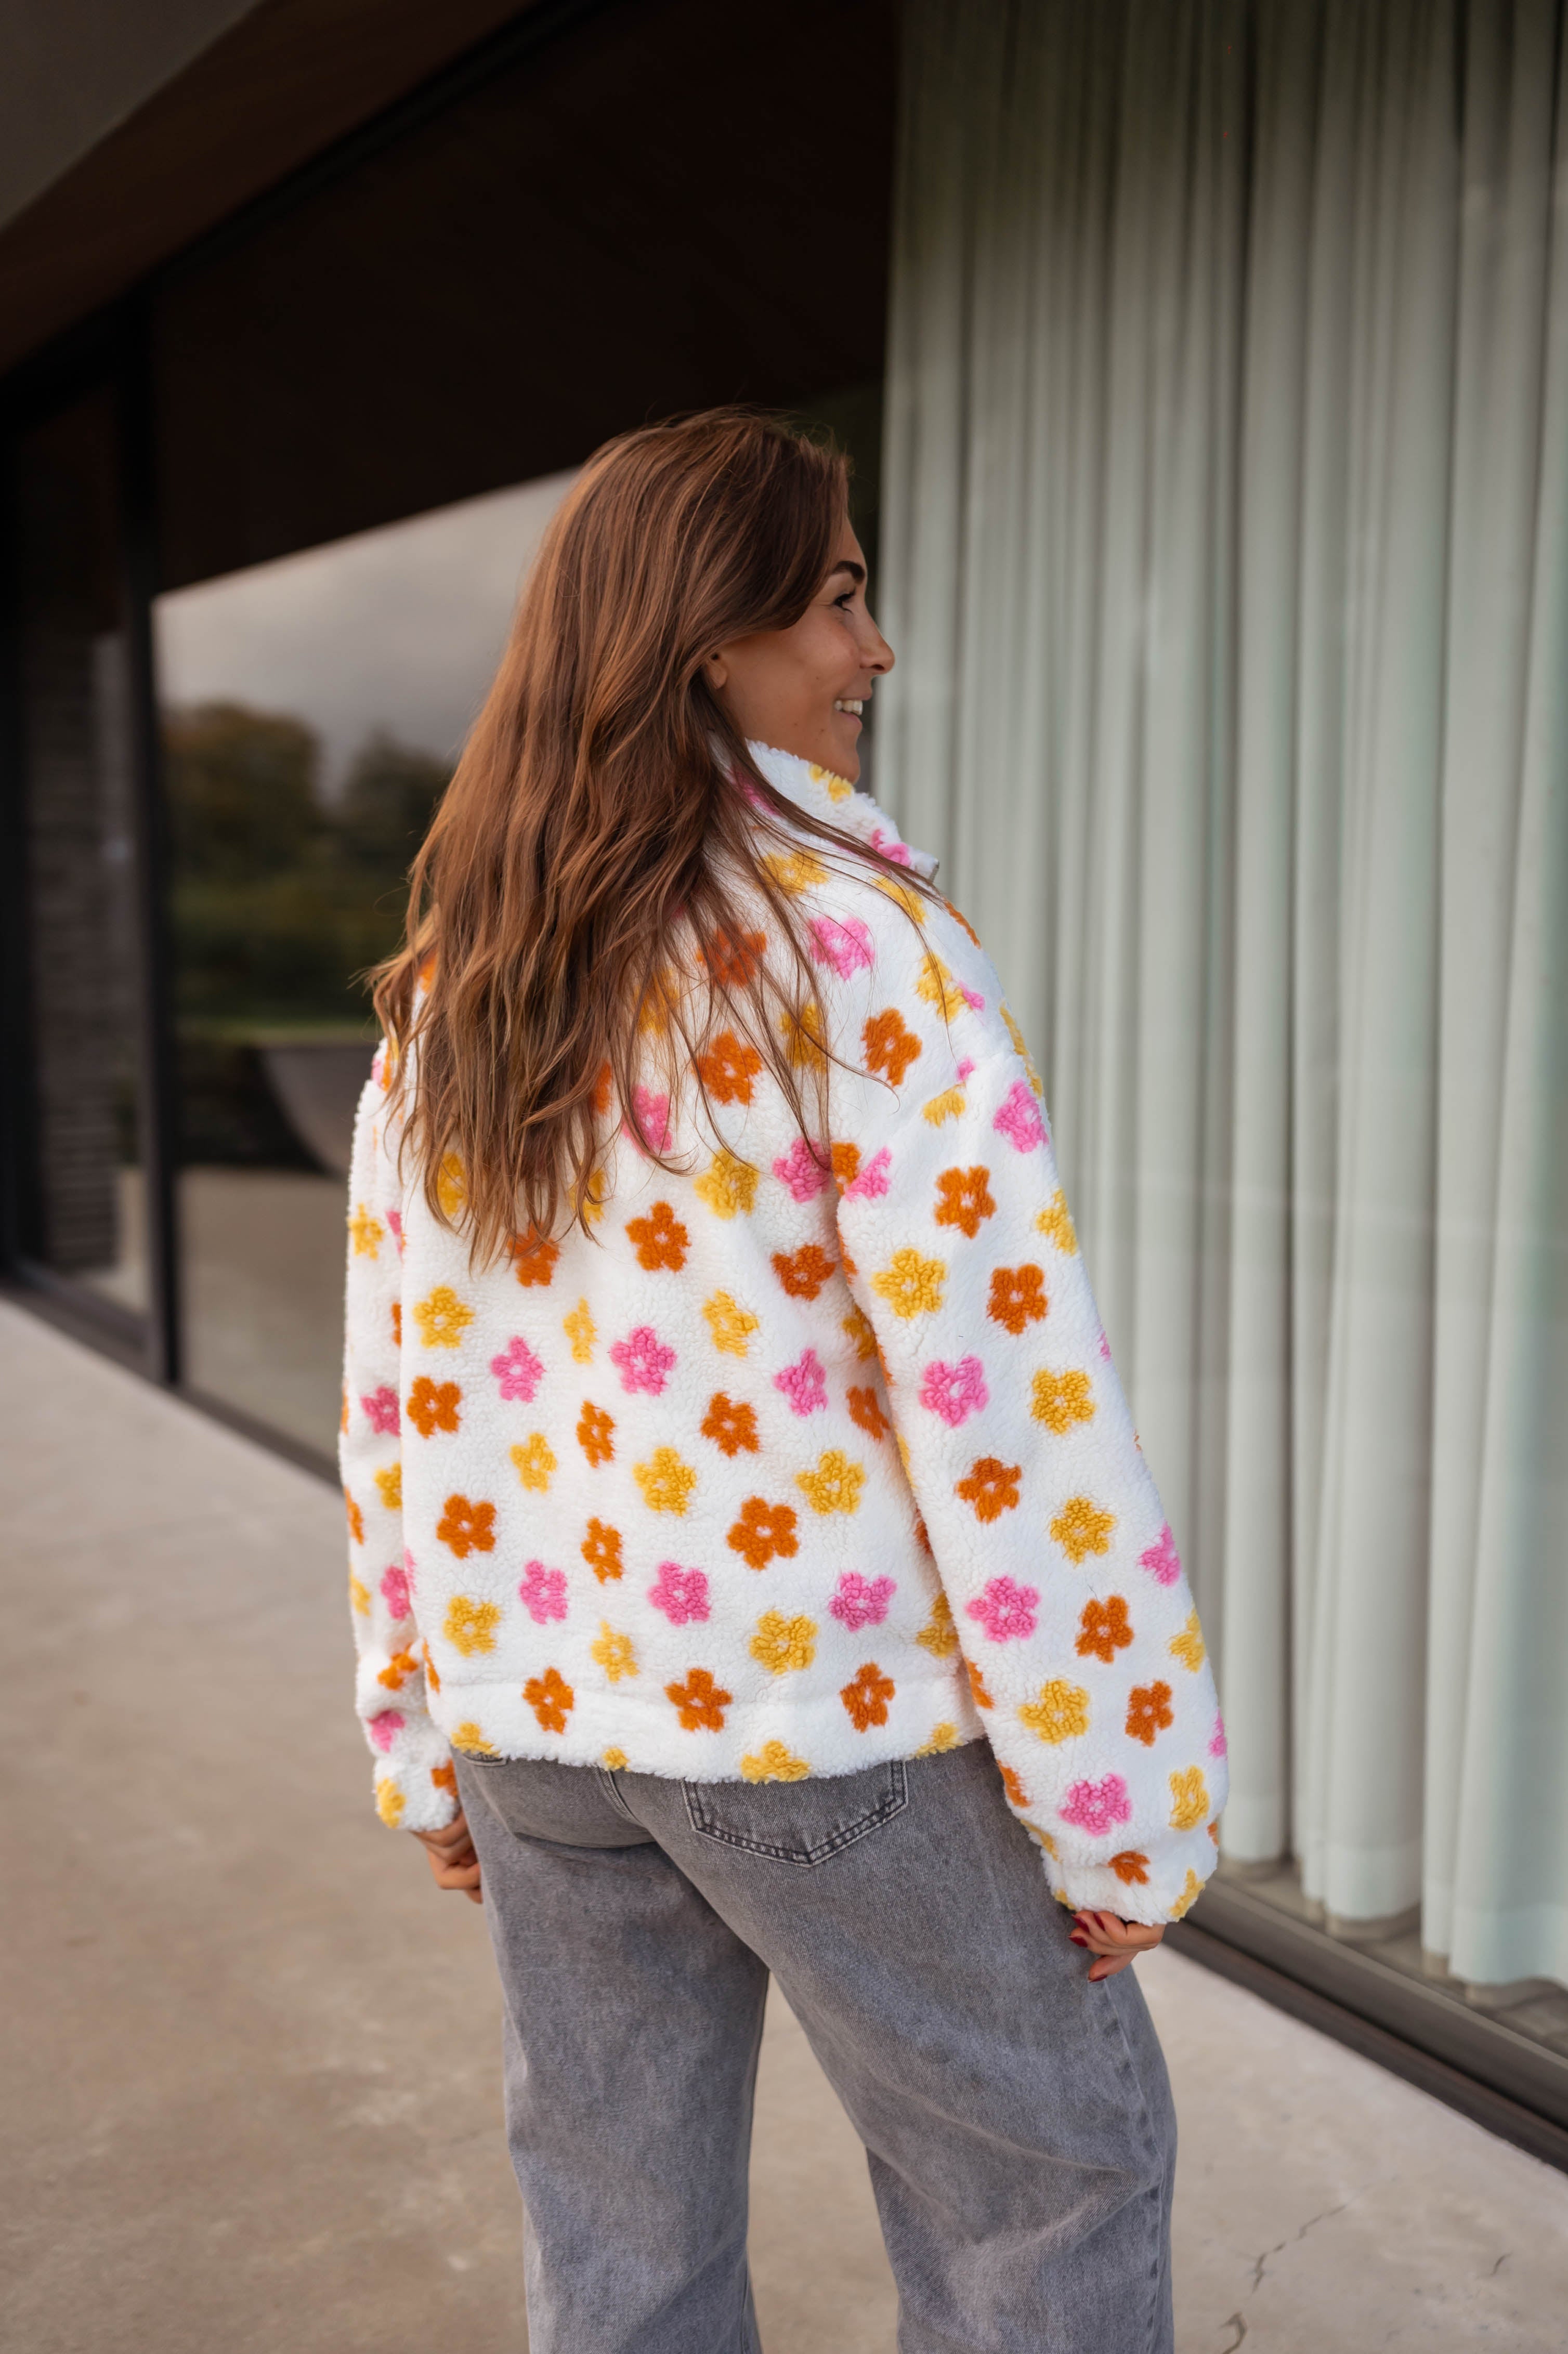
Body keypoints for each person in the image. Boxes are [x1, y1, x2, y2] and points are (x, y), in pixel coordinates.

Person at [339, 408, 1226, 2354]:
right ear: (707, 636)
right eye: (835, 596)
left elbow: (396, 1388)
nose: (873, 648)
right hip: (818, 1726)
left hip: (543, 1724)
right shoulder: (854, 954)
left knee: (618, 2224)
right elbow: (1007, 1409)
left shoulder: (463, 979)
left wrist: (420, 1726)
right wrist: (1122, 1800)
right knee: (1048, 2196)